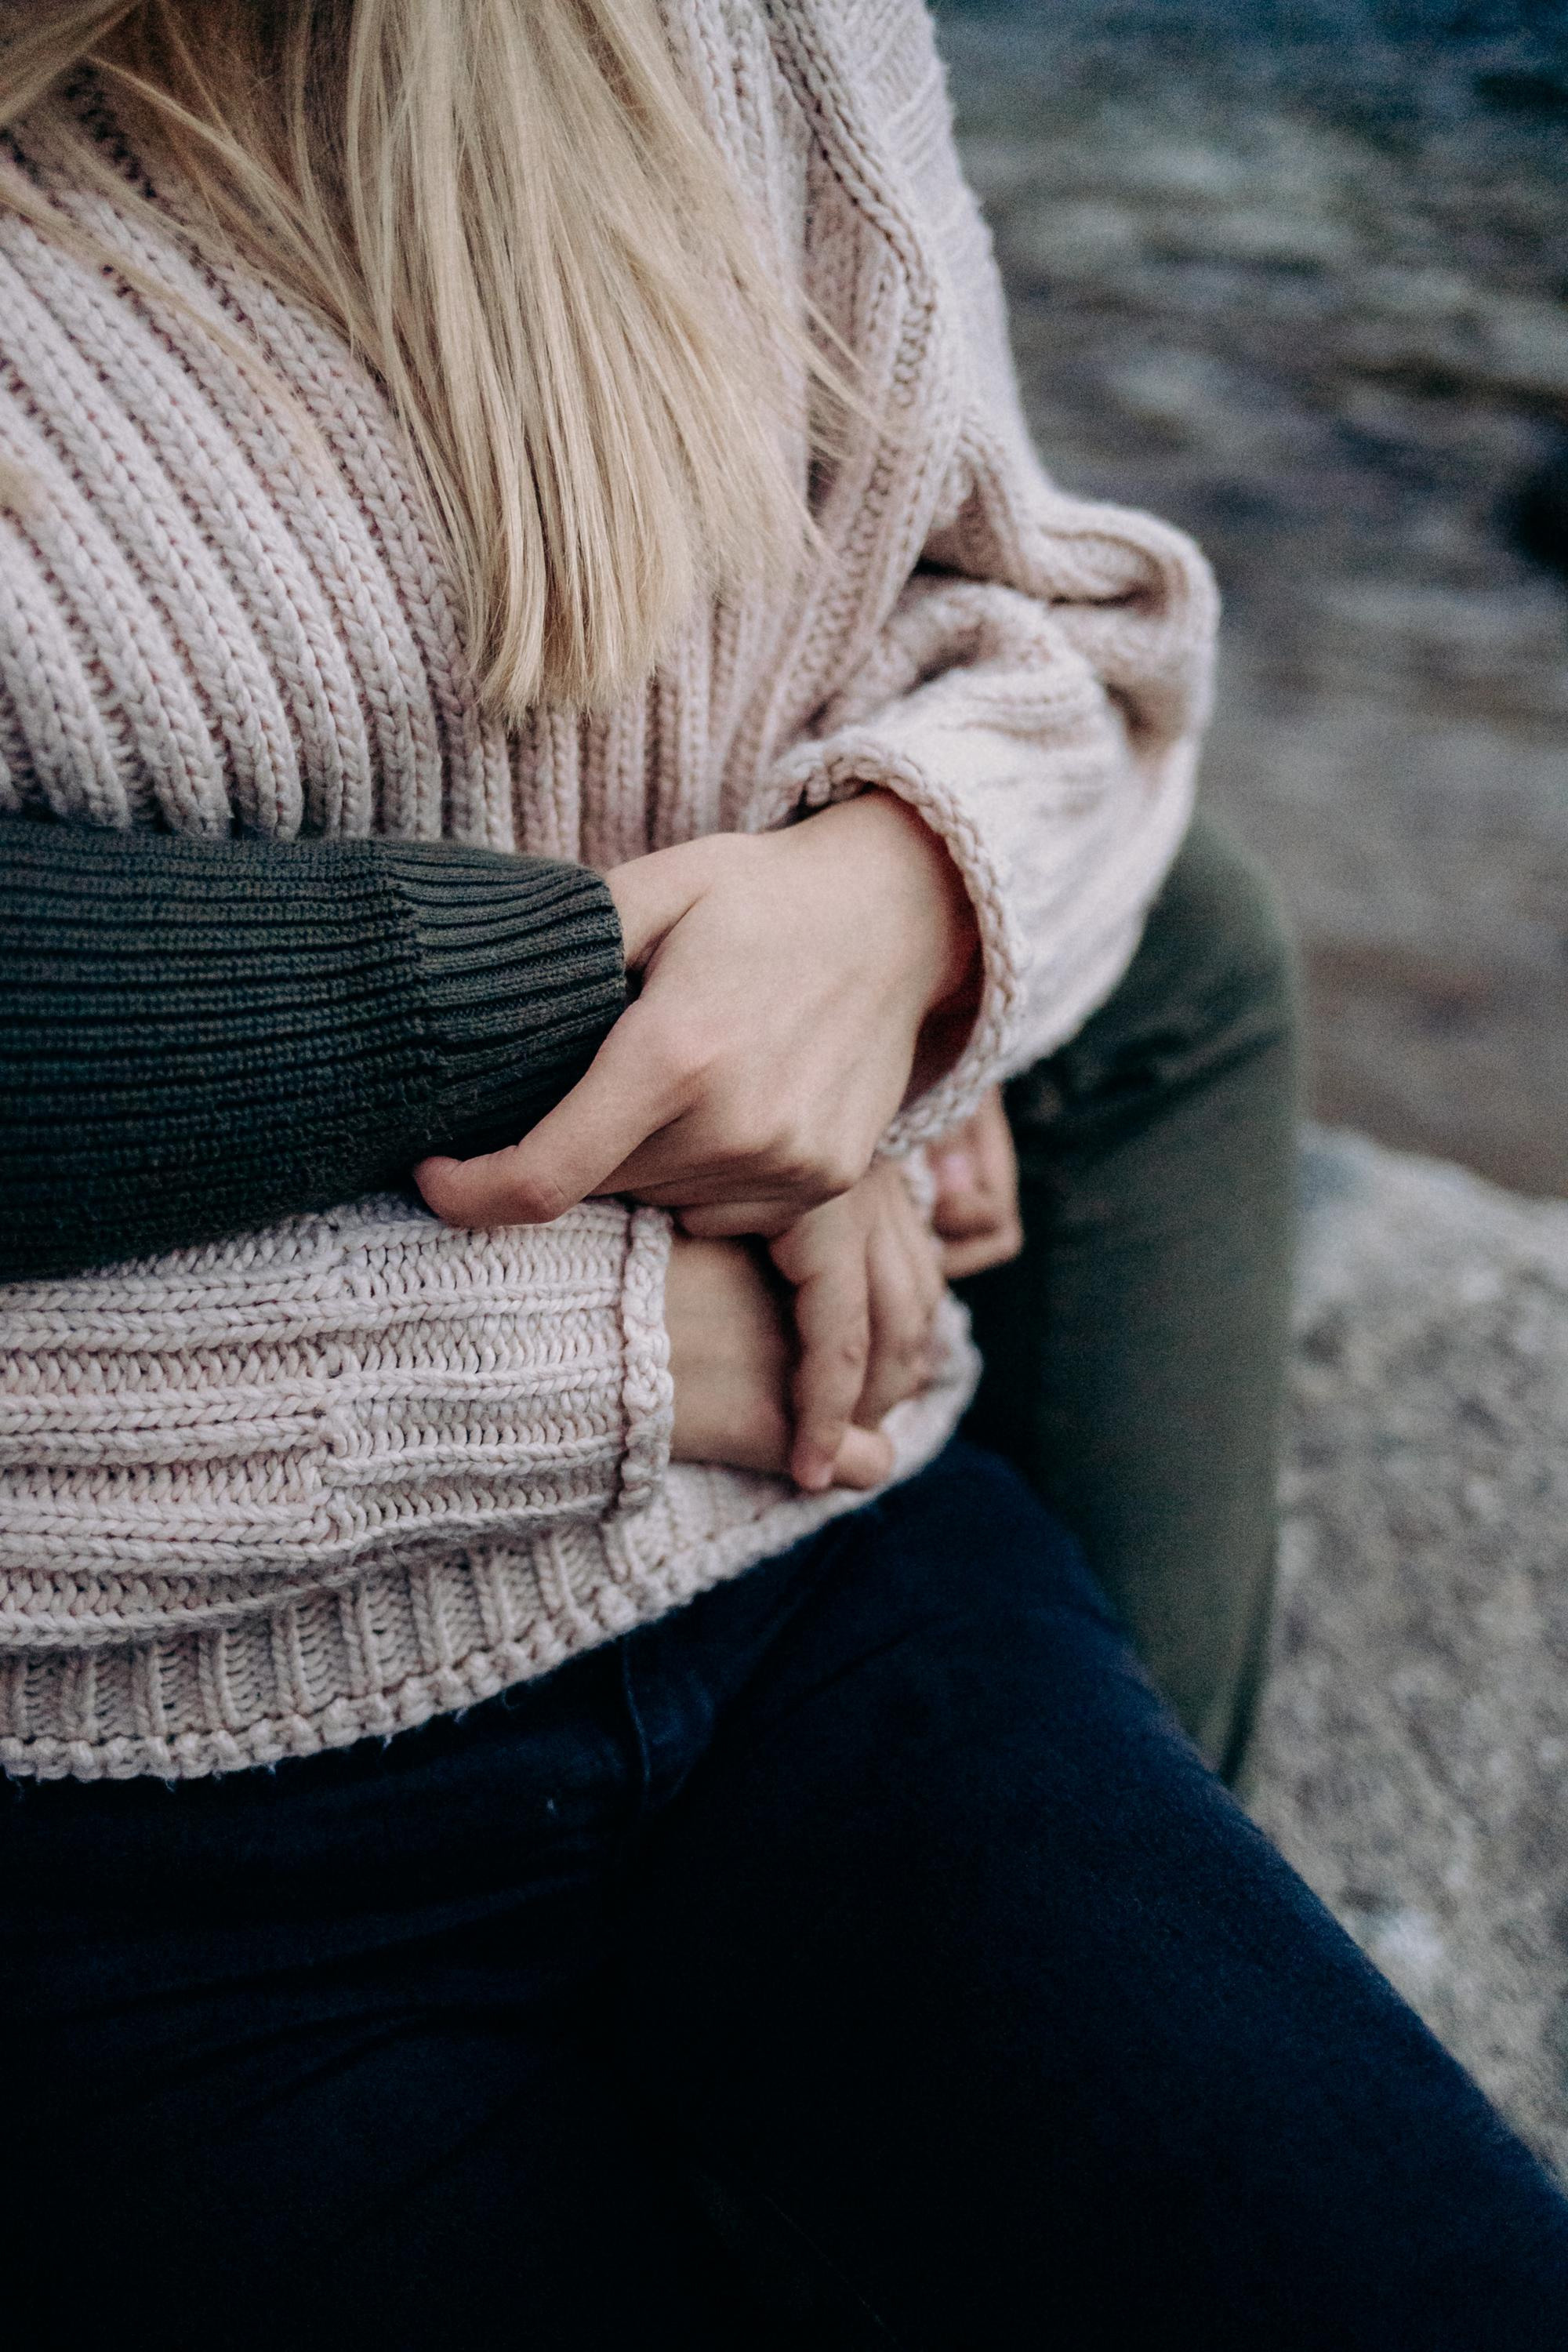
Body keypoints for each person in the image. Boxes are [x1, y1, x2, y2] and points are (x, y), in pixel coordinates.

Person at [0, 3, 1563, 2343]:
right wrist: (618, 1336)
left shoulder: (723, 26)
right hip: (122, 1827)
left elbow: (1058, 624)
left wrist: (894, 909)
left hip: (821, 1597)